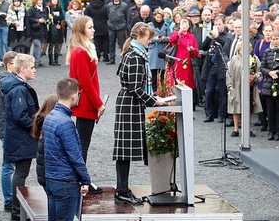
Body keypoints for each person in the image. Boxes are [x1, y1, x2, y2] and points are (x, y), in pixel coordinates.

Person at [41, 78, 90, 221]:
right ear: (74, 95)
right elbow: (75, 156)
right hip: (65, 181)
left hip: (52, 179)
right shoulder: (66, 123)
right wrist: (85, 179)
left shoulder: (50, 117)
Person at [113, 23, 167, 204]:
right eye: (147, 37)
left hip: (128, 103)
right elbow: (135, 88)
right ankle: (122, 191)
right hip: (130, 104)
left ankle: (122, 189)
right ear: (138, 37)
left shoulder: (133, 53)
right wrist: (154, 101)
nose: (150, 40)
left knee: (124, 151)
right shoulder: (136, 57)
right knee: (125, 151)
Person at [67, 16, 106, 194]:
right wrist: (98, 103)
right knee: (82, 145)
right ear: (82, 30)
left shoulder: (80, 50)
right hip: (86, 104)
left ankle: (80, 179)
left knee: (81, 144)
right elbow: (85, 82)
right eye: (90, 27)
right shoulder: (81, 52)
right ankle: (81, 181)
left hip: (85, 103)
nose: (94, 30)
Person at [1, 54, 40, 221]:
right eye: (32, 67)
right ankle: (17, 210)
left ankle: (16, 208)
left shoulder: (17, 86)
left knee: (20, 172)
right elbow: (20, 115)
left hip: (18, 138)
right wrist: (36, 129)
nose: (35, 70)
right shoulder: (18, 89)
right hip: (21, 139)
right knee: (21, 173)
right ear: (23, 69)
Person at [0, 51, 18, 212]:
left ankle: (10, 200)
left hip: (7, 129)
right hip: (8, 130)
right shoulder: (8, 83)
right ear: (9, 65)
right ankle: (9, 200)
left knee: (10, 166)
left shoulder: (7, 82)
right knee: (8, 166)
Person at [227, 42, 262, 136]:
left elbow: (260, 72)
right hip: (237, 86)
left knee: (249, 108)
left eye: (248, 48)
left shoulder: (254, 58)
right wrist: (230, 86)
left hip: (250, 87)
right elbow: (229, 73)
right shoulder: (234, 59)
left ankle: (247, 128)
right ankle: (236, 129)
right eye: (243, 48)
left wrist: (254, 76)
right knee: (236, 107)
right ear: (239, 49)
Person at [169, 19, 200, 90]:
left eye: (186, 24)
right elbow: (172, 39)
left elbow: (196, 51)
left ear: (189, 26)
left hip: (189, 64)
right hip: (178, 63)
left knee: (188, 84)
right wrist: (179, 32)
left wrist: (192, 50)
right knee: (178, 82)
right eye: (183, 23)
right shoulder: (176, 33)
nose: (185, 25)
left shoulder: (191, 36)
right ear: (179, 25)